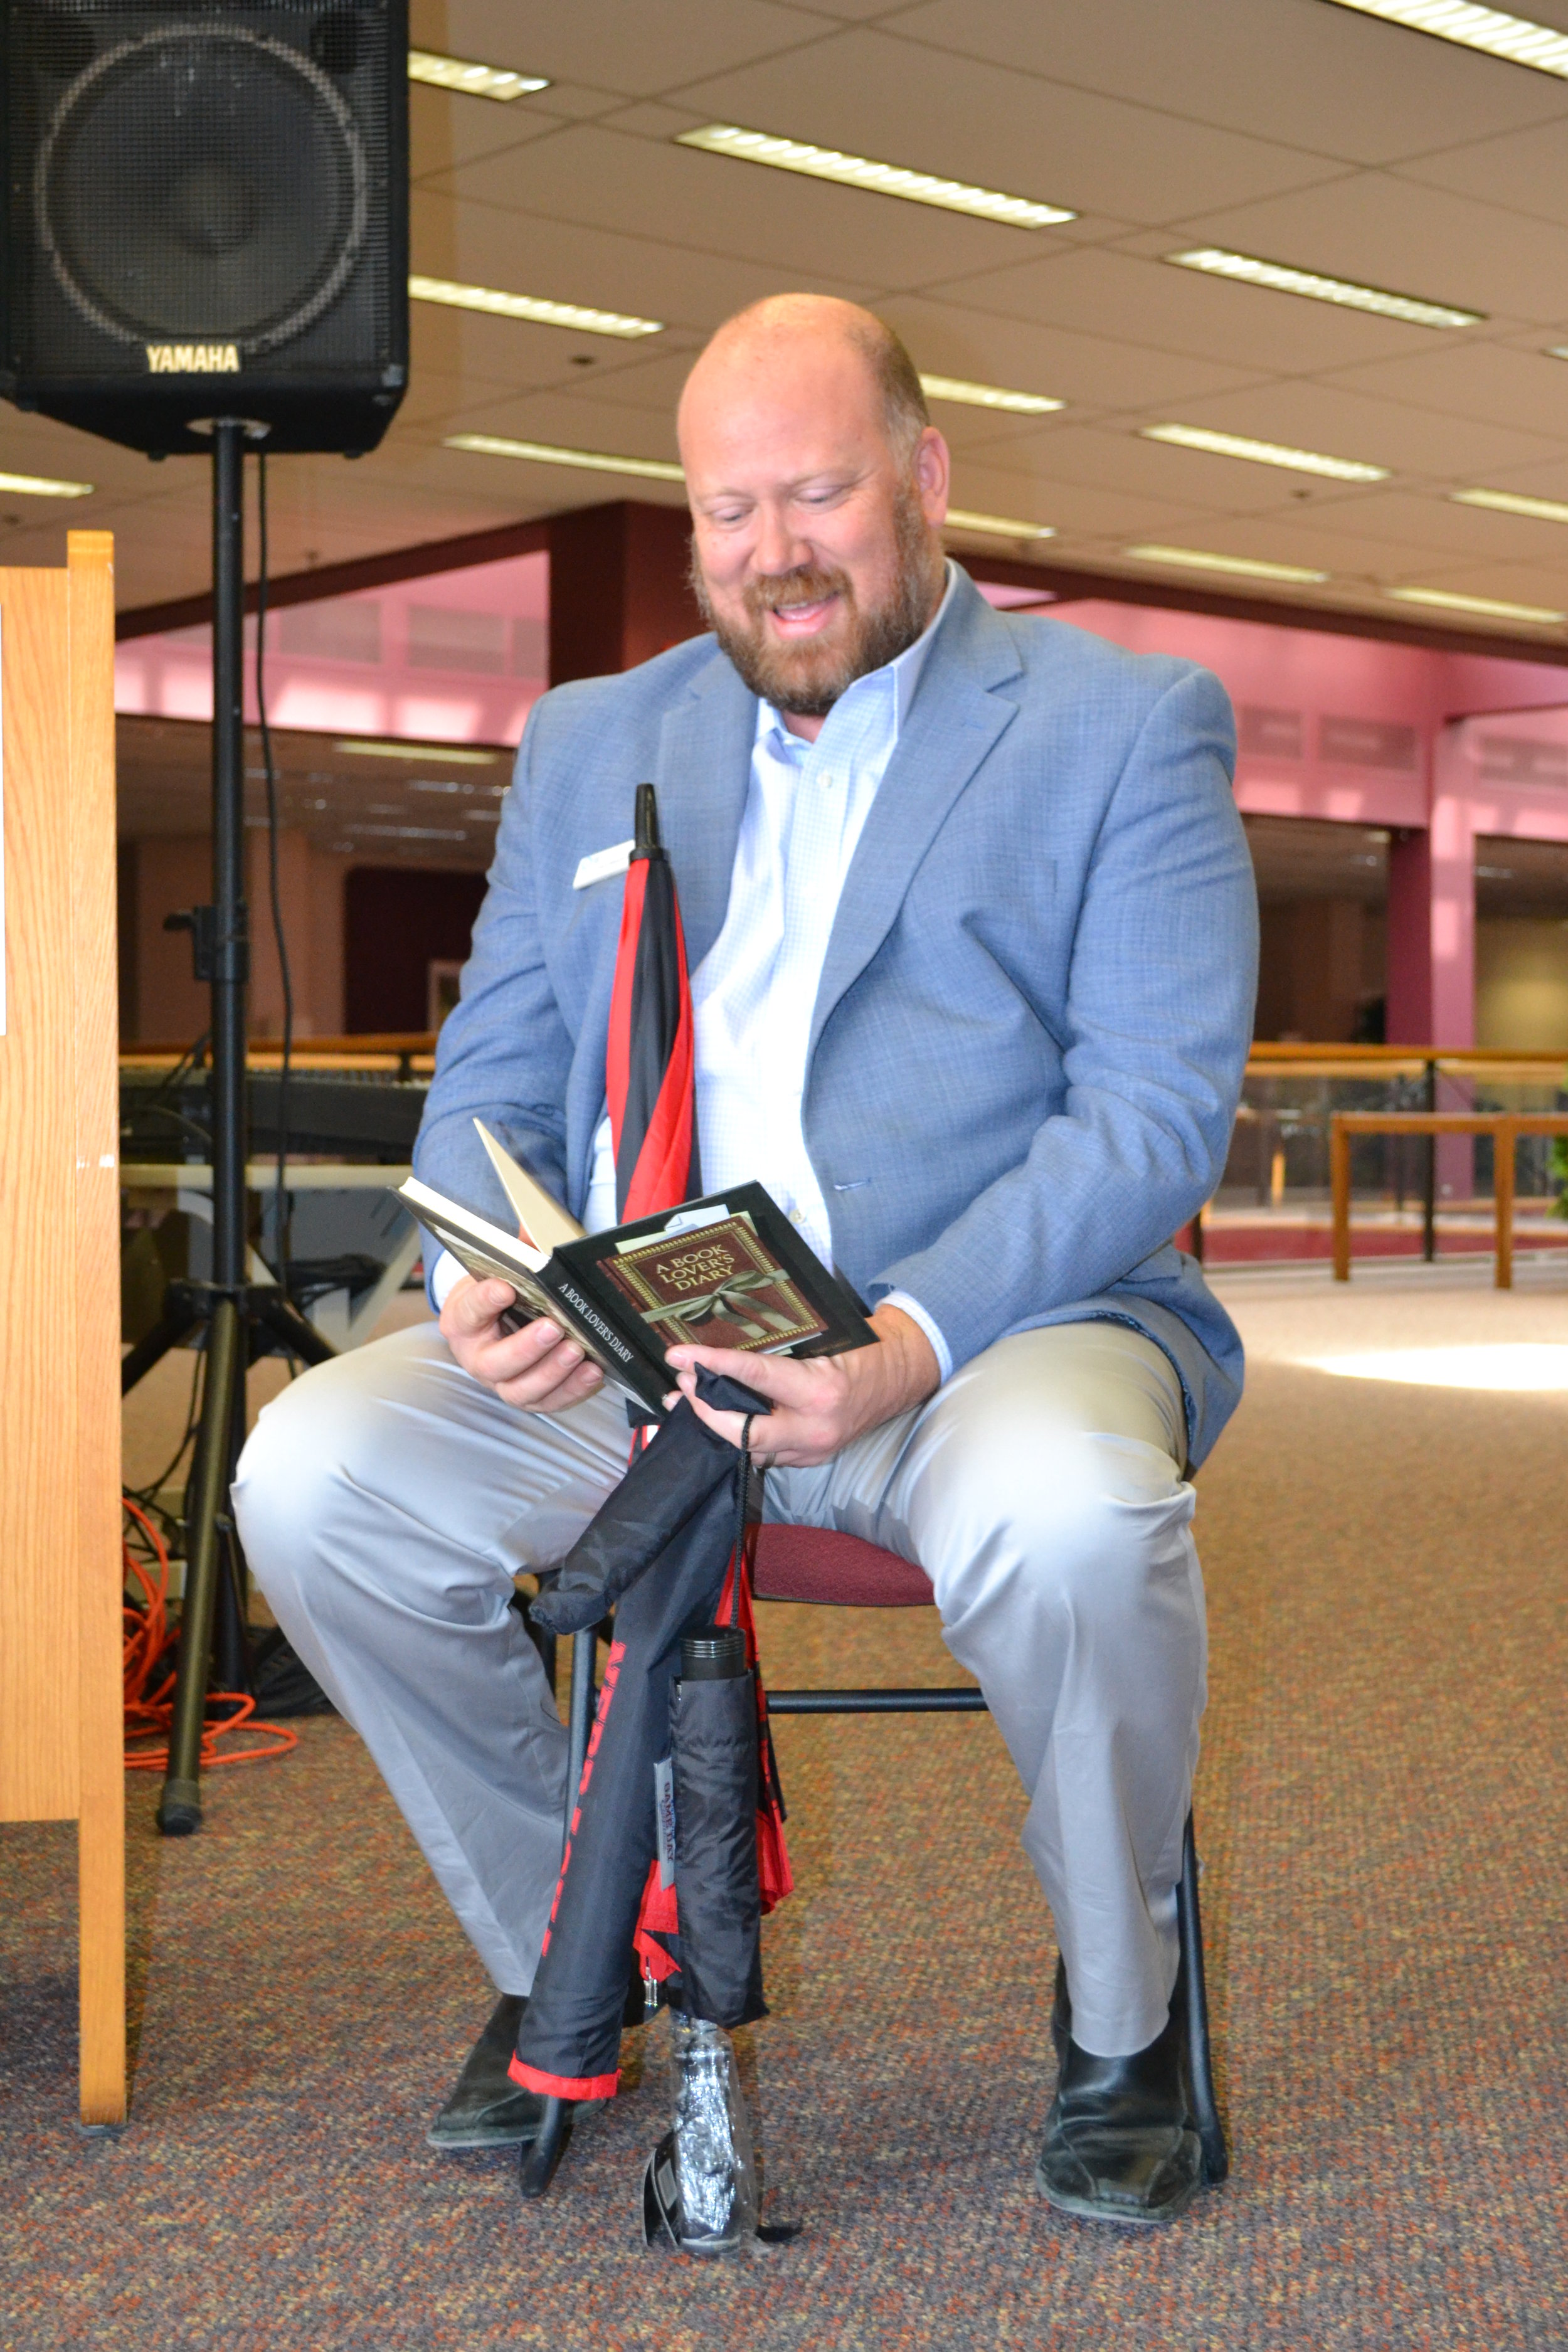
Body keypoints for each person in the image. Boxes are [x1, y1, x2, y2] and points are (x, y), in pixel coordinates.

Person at [234, 292, 1258, 2228]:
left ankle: (1121, 2017)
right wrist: (476, 1275)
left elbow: (1145, 1115)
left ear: (924, 477)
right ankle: (569, 1950)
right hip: (643, 1346)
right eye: (726, 510)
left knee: (1074, 1521)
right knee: (312, 1473)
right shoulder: (590, 739)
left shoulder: (1122, 725)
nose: (773, 550)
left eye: (817, 493)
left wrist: (907, 1337)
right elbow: (493, 1075)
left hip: (987, 1326)